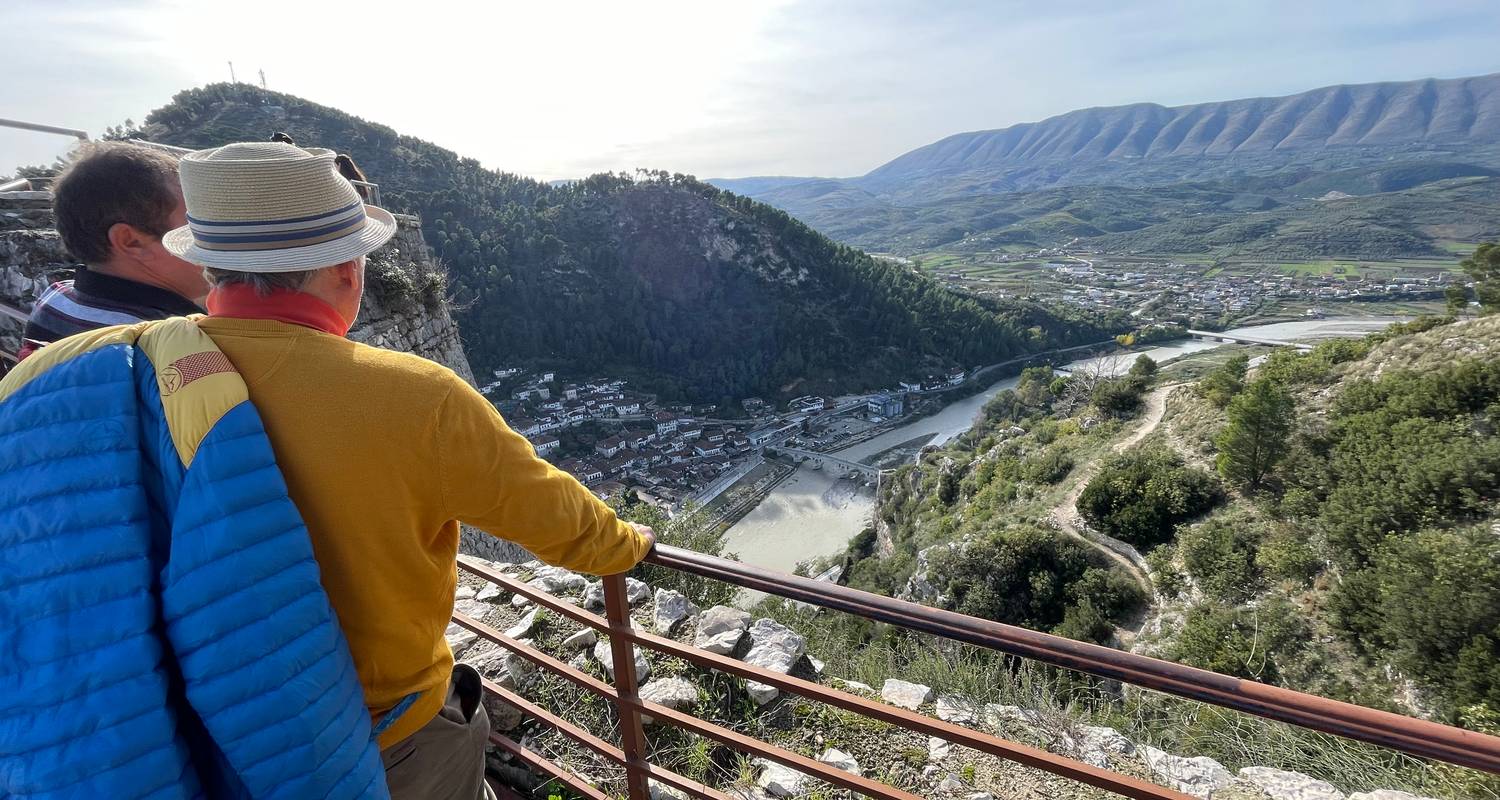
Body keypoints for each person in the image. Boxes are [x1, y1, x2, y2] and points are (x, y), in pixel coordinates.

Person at [161, 141, 655, 799]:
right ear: (343, 270)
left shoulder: (143, 368)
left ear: (211, 269)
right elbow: (564, 525)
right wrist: (631, 544)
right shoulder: (412, 398)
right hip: (381, 735)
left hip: (203, 726)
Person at [18, 142, 206, 359]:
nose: (215, 239)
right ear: (131, 242)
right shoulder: (172, 344)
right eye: (195, 226)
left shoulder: (56, 300)